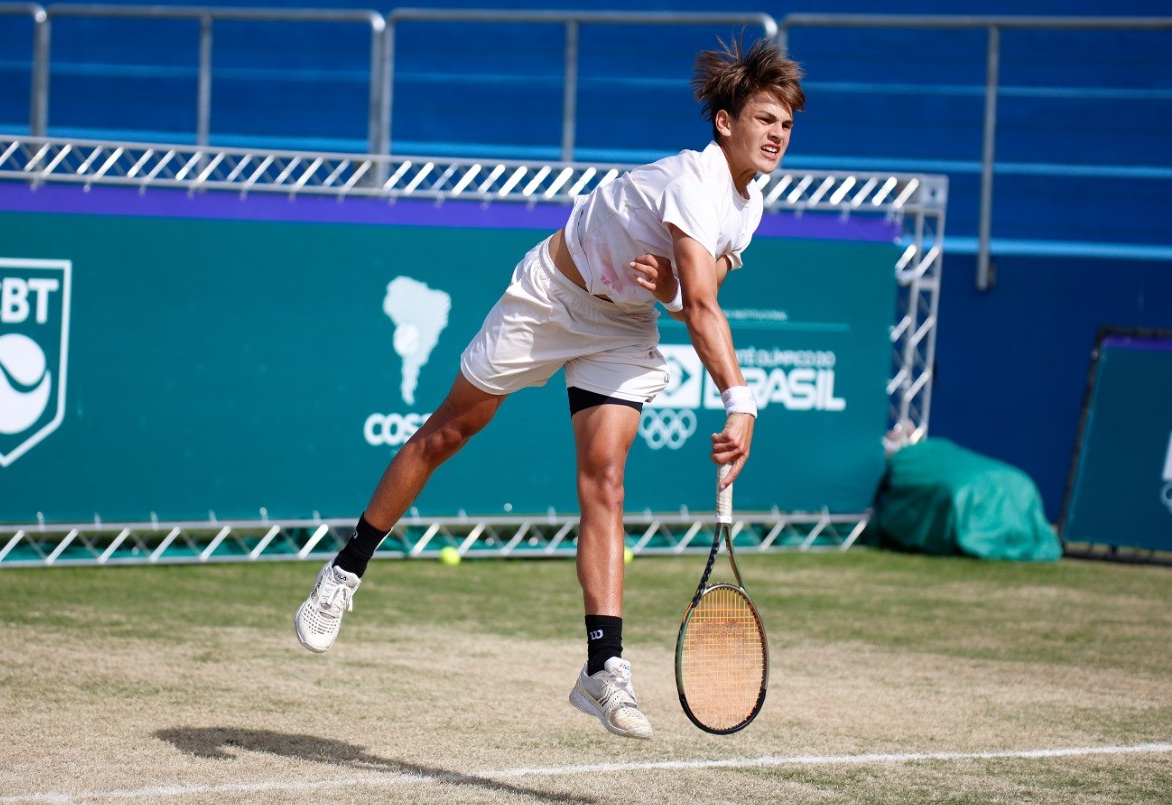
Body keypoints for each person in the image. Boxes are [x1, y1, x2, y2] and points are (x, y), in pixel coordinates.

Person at [295, 37, 805, 740]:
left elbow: (703, 290)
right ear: (726, 122)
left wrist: (680, 294)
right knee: (448, 431)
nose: (778, 134)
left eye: (786, 123)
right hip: (552, 297)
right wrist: (738, 397)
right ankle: (346, 568)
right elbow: (704, 306)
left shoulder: (748, 204)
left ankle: (602, 668)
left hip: (620, 324)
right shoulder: (694, 180)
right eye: (765, 119)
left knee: (606, 478)